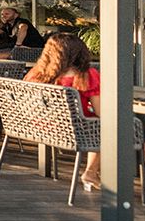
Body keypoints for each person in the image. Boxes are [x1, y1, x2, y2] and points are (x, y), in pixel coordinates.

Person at [25, 35, 103, 190]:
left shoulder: (36, 74)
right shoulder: (86, 75)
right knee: (106, 126)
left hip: (41, 127)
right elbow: (101, 112)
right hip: (75, 130)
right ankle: (91, 171)